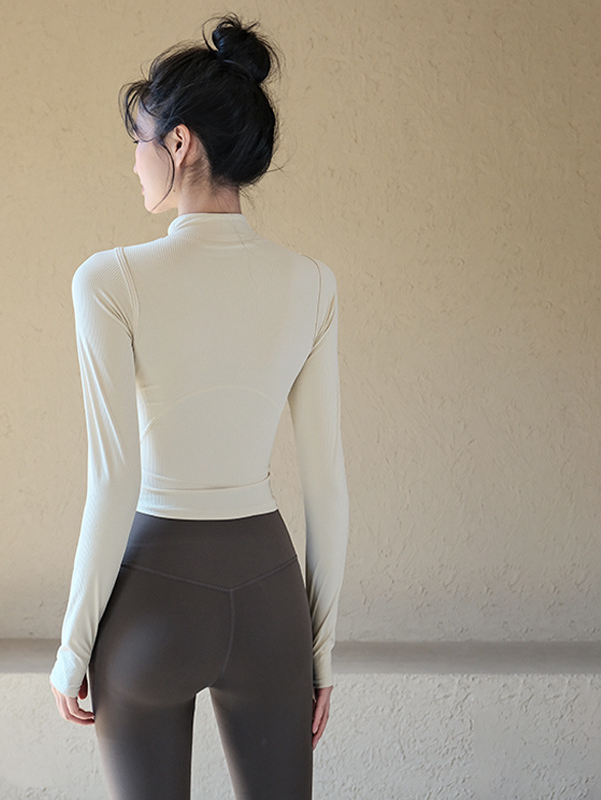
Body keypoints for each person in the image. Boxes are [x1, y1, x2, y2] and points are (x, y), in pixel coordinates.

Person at [49, 14, 349, 800]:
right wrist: (320, 653)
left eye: (139, 140)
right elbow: (328, 487)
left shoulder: (107, 281)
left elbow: (113, 482)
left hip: (153, 595)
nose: (133, 162)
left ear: (179, 143)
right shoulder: (313, 283)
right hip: (270, 603)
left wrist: (73, 647)